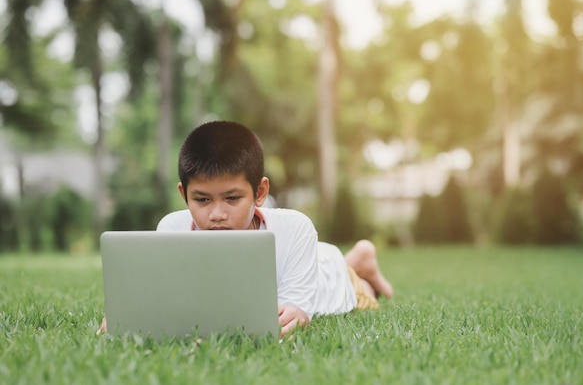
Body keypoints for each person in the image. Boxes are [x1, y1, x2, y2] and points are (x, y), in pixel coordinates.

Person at [99, 121, 393, 338]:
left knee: (360, 292)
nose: (216, 214)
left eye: (232, 198)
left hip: (327, 273)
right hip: (297, 264)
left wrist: (296, 315)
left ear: (260, 192)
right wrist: (129, 318)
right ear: (183, 195)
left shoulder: (296, 227)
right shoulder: (172, 228)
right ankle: (358, 257)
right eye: (202, 199)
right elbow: (166, 298)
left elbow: (295, 316)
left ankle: (360, 261)